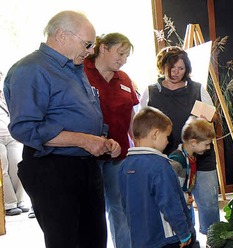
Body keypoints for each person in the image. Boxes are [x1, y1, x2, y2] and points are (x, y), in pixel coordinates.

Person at [3, 10, 120, 248]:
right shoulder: (31, 69)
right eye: (87, 44)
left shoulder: (74, 69)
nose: (90, 51)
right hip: (54, 169)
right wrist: (83, 140)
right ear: (62, 35)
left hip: (86, 167)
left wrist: (101, 139)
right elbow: (26, 128)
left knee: (95, 239)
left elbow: (81, 114)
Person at [140, 46, 220, 235]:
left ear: (187, 69)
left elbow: (213, 117)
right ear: (163, 66)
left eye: (181, 69)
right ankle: (187, 239)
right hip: (169, 160)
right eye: (172, 68)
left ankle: (213, 238)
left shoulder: (196, 89)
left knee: (208, 203)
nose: (176, 73)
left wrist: (205, 118)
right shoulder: (151, 92)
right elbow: (140, 124)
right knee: (179, 205)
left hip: (201, 157)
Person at [84, 32, 138, 248]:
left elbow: (131, 115)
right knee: (93, 208)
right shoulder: (80, 72)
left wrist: (138, 144)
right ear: (104, 48)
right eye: (120, 53)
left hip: (118, 156)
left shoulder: (124, 79)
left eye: (126, 56)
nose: (123, 59)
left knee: (120, 207)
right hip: (88, 155)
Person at [119, 106, 196, 248]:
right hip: (165, 239)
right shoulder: (160, 165)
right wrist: (183, 232)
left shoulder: (124, 165)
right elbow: (170, 203)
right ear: (155, 134)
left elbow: (125, 204)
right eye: (167, 136)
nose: (168, 141)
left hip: (139, 238)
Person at [168, 117, 216, 227]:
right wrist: (183, 197)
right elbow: (170, 188)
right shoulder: (177, 161)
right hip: (178, 206)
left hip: (186, 203)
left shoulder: (191, 157)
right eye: (206, 144)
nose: (208, 148)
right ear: (193, 142)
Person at [0, 72, 30, 217]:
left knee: (17, 165)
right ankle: (9, 203)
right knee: (3, 169)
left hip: (10, 135)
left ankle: (20, 200)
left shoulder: (4, 93)